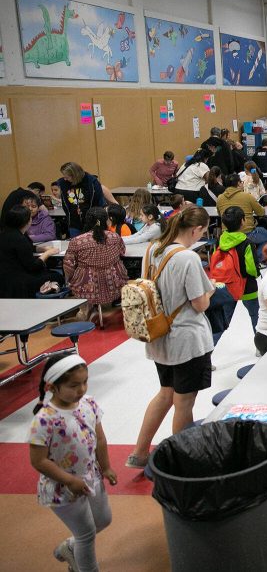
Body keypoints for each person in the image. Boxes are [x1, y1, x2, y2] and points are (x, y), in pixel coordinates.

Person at [125, 208, 216, 469]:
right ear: (196, 230)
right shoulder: (187, 258)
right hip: (186, 339)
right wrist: (212, 291)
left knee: (165, 393)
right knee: (184, 401)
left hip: (158, 334)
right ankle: (182, 459)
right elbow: (199, 304)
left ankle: (140, 453)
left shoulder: (152, 250)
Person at [29, 354, 117, 572]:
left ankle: (70, 547)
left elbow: (100, 438)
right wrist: (69, 480)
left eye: (85, 381)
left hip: (91, 476)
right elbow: (38, 461)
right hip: (63, 488)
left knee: (103, 520)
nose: (81, 389)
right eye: (73, 385)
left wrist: (105, 466)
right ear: (51, 387)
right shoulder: (44, 420)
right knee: (86, 534)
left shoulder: (89, 403)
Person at [63, 207, 127, 321]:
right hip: (114, 283)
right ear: (107, 221)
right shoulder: (115, 237)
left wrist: (69, 279)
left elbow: (68, 265)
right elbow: (122, 252)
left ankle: (86, 310)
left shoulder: (77, 241)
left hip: (87, 284)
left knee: (76, 278)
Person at [0, 206, 61, 298]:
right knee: (57, 276)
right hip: (19, 282)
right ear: (27, 221)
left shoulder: (6, 234)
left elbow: (28, 248)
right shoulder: (19, 239)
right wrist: (47, 254)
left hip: (4, 279)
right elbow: (33, 266)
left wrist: (42, 248)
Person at [216, 205, 261, 329]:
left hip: (227, 285)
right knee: (255, 316)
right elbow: (251, 268)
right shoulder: (247, 243)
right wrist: (257, 274)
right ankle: (260, 344)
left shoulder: (220, 240)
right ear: (242, 221)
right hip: (247, 286)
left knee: (227, 318)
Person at [216, 173, 267, 260]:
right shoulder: (247, 196)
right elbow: (261, 212)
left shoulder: (220, 198)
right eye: (241, 182)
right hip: (247, 232)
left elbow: (219, 213)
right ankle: (256, 259)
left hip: (227, 234)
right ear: (239, 184)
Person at [56, 163, 117, 236]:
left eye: (67, 177)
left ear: (75, 175)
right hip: (74, 222)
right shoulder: (63, 183)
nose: (65, 179)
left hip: (93, 220)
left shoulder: (91, 182)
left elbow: (100, 201)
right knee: (77, 244)